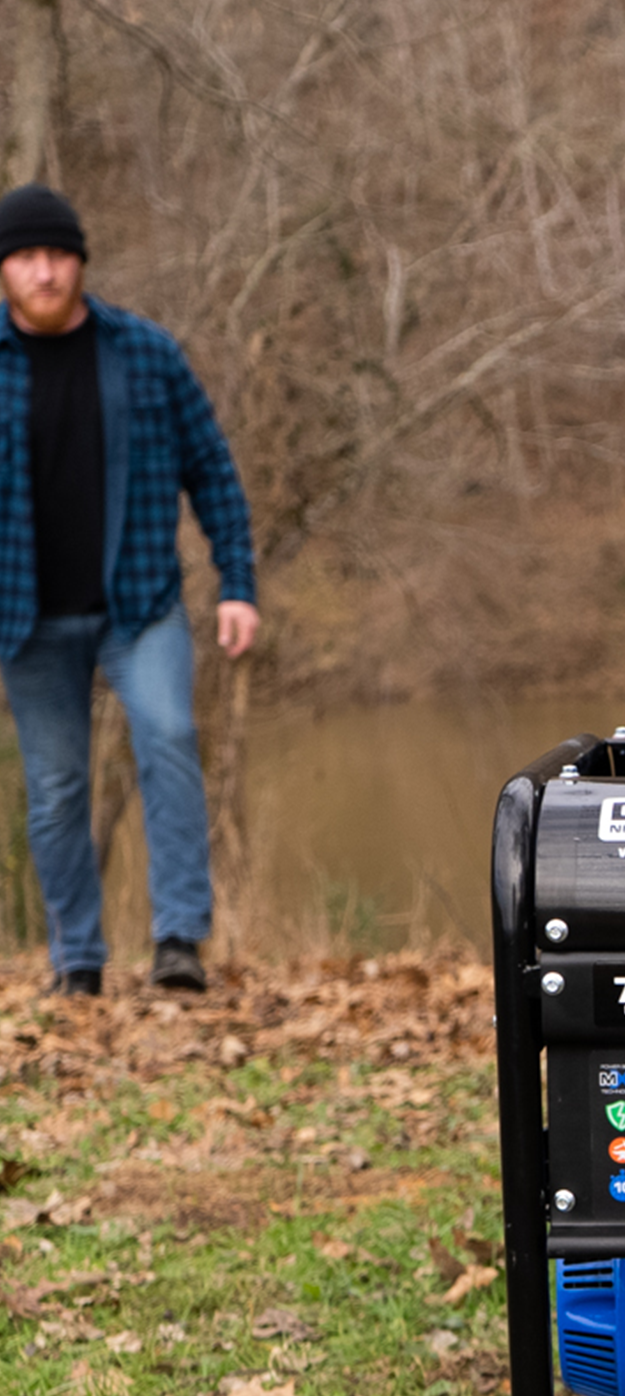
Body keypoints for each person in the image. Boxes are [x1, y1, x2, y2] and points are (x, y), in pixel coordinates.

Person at [0, 183, 259, 996]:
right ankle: (77, 960)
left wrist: (236, 584)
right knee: (56, 788)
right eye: (27, 258)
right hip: (28, 617)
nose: (45, 273)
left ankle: (178, 940)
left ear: (80, 262)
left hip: (140, 602)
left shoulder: (146, 352)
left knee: (171, 739)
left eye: (58, 256)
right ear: (6, 270)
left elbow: (211, 468)